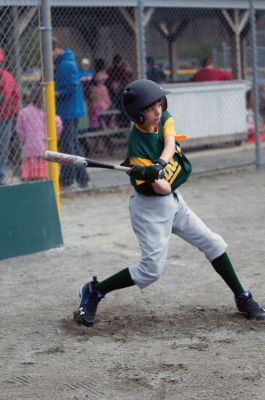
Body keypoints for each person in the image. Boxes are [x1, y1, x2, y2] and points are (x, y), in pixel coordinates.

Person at [77, 78, 265, 327]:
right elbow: (162, 188)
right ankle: (95, 290)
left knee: (213, 242)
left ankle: (242, 296)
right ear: (137, 116)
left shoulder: (163, 117)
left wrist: (159, 166)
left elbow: (169, 143)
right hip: (149, 210)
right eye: (150, 108)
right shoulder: (136, 149)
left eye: (159, 104)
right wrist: (150, 176)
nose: (158, 110)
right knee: (152, 270)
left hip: (174, 203)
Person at [52, 37, 91, 189]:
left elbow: (71, 86)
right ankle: (82, 178)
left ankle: (67, 179)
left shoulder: (66, 64)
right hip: (68, 110)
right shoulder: (63, 63)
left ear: (55, 48)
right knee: (72, 145)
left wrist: (56, 93)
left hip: (69, 111)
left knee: (68, 146)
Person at [16, 83, 62, 181]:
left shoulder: (23, 112)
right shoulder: (45, 112)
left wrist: (23, 140)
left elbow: (19, 129)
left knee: (29, 166)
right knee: (42, 168)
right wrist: (54, 137)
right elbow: (57, 123)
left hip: (28, 147)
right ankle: (41, 179)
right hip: (43, 144)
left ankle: (29, 179)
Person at [0, 47, 20, 185]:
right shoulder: (7, 77)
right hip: (6, 116)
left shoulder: (6, 77)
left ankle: (1, 176)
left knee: (3, 148)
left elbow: (13, 97)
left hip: (5, 118)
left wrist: (12, 111)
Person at [106, 54, 132, 127]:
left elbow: (128, 79)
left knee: (123, 105)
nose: (117, 64)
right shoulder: (111, 70)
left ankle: (123, 123)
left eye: (118, 62)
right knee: (118, 104)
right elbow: (109, 82)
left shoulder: (123, 69)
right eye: (116, 62)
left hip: (121, 92)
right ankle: (120, 123)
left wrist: (119, 85)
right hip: (113, 93)